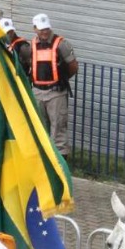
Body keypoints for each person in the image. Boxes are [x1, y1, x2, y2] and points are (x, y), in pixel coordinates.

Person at [26, 13, 76, 156]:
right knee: (40, 128)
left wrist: (61, 80)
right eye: (41, 29)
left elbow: (73, 66)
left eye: (46, 28)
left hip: (56, 93)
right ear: (34, 29)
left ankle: (61, 166)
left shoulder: (61, 44)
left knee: (58, 130)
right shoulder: (31, 45)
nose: (45, 32)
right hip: (37, 92)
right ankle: (44, 161)